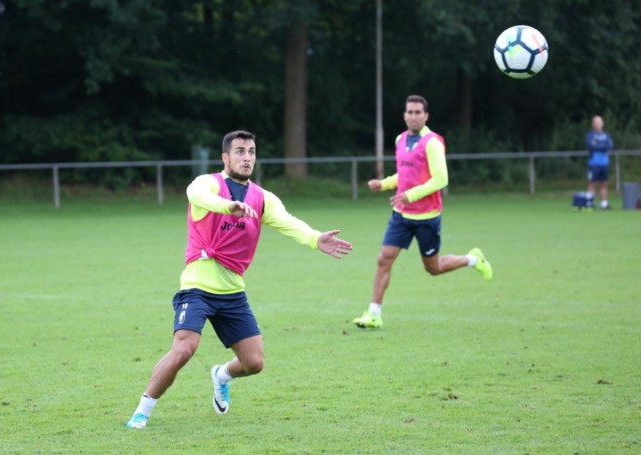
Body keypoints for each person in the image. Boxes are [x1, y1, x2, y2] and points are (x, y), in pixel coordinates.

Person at [127, 130, 353, 428]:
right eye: (240, 151)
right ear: (226, 157)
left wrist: (314, 238)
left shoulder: (263, 198)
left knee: (254, 363)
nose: (247, 157)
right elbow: (195, 195)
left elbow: (288, 222)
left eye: (251, 151)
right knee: (184, 349)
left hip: (233, 292)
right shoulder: (209, 184)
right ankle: (142, 411)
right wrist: (227, 205)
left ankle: (221, 375)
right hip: (197, 287)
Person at [352, 94, 492, 329]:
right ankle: (374, 313)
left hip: (427, 217)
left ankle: (473, 259)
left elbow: (441, 178)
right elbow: (405, 176)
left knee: (433, 268)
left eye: (418, 112)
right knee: (383, 259)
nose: (413, 116)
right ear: (404, 115)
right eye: (410, 112)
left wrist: (412, 194)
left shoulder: (432, 142)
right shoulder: (400, 140)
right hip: (401, 215)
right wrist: (384, 184)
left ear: (426, 116)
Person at [586, 115, 614, 210]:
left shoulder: (606, 135)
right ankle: (590, 203)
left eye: (600, 122)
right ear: (593, 124)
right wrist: (602, 146)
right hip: (594, 163)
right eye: (596, 122)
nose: (598, 124)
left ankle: (604, 203)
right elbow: (591, 146)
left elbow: (609, 146)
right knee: (592, 183)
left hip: (604, 163)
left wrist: (598, 145)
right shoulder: (590, 135)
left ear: (602, 123)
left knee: (604, 183)